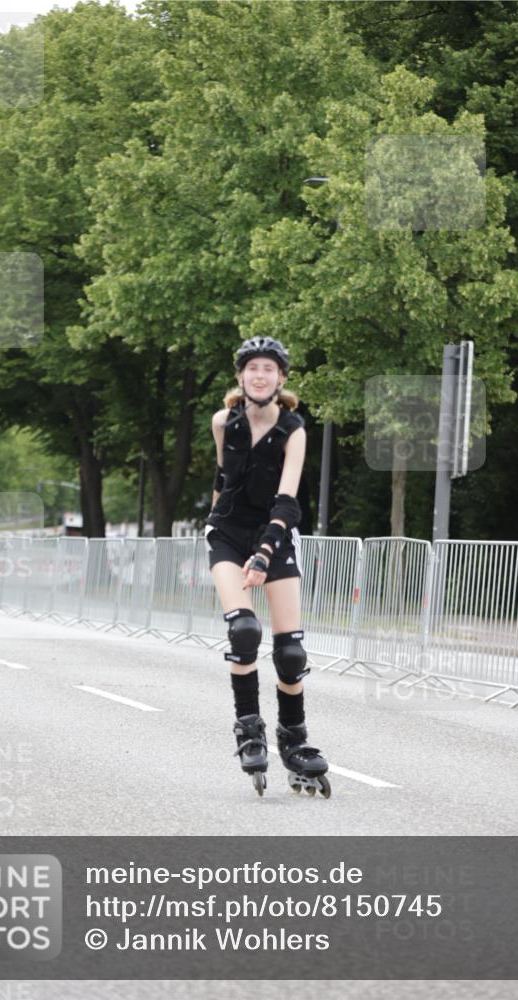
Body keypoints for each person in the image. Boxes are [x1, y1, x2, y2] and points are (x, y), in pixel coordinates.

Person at [205, 336, 331, 798]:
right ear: (241, 376)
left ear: (281, 379)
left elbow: (287, 498)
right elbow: (223, 481)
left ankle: (293, 741)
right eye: (252, 368)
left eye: (269, 369)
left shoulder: (293, 429)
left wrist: (263, 553)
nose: (260, 375)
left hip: (274, 534)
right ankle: (249, 729)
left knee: (291, 653)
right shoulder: (224, 422)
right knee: (243, 632)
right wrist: (214, 528)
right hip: (227, 534)